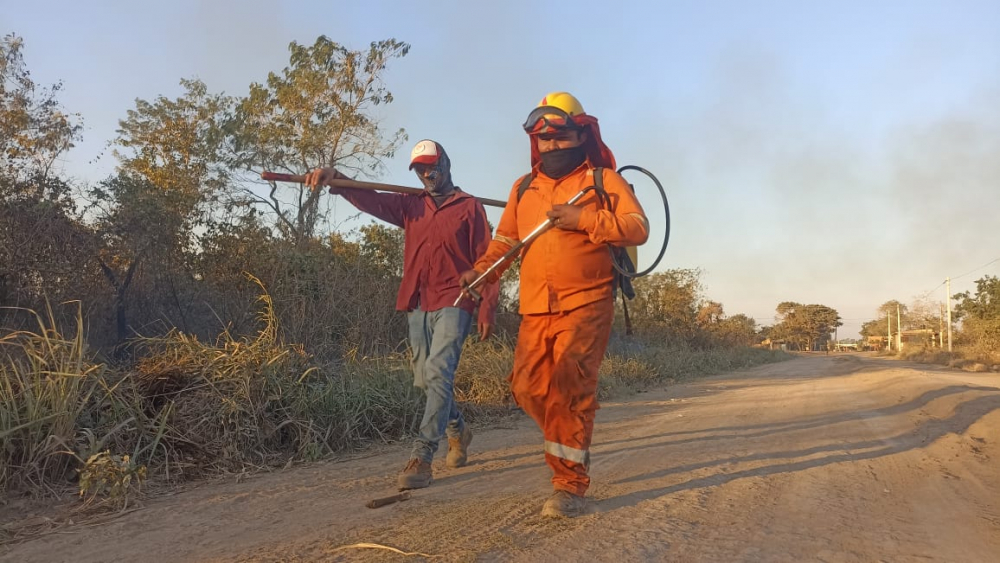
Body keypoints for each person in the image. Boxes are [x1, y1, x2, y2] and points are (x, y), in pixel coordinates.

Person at [459, 92, 649, 518]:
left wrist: (584, 219)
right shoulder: (523, 187)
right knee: (526, 388)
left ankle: (569, 484)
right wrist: (482, 272)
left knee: (569, 389)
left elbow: (638, 228)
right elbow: (507, 241)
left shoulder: (603, 181)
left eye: (560, 137)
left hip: (587, 301)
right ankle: (572, 440)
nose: (551, 146)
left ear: (580, 135)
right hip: (535, 306)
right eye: (542, 140)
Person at [306, 139, 498, 490]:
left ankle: (422, 455)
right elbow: (371, 199)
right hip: (418, 301)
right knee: (424, 380)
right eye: (419, 168)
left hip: (457, 300)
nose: (426, 173)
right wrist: (336, 177)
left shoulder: (469, 207)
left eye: (431, 165)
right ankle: (458, 429)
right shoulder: (412, 205)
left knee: (439, 373)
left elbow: (489, 260)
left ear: (445, 163)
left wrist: (488, 305)